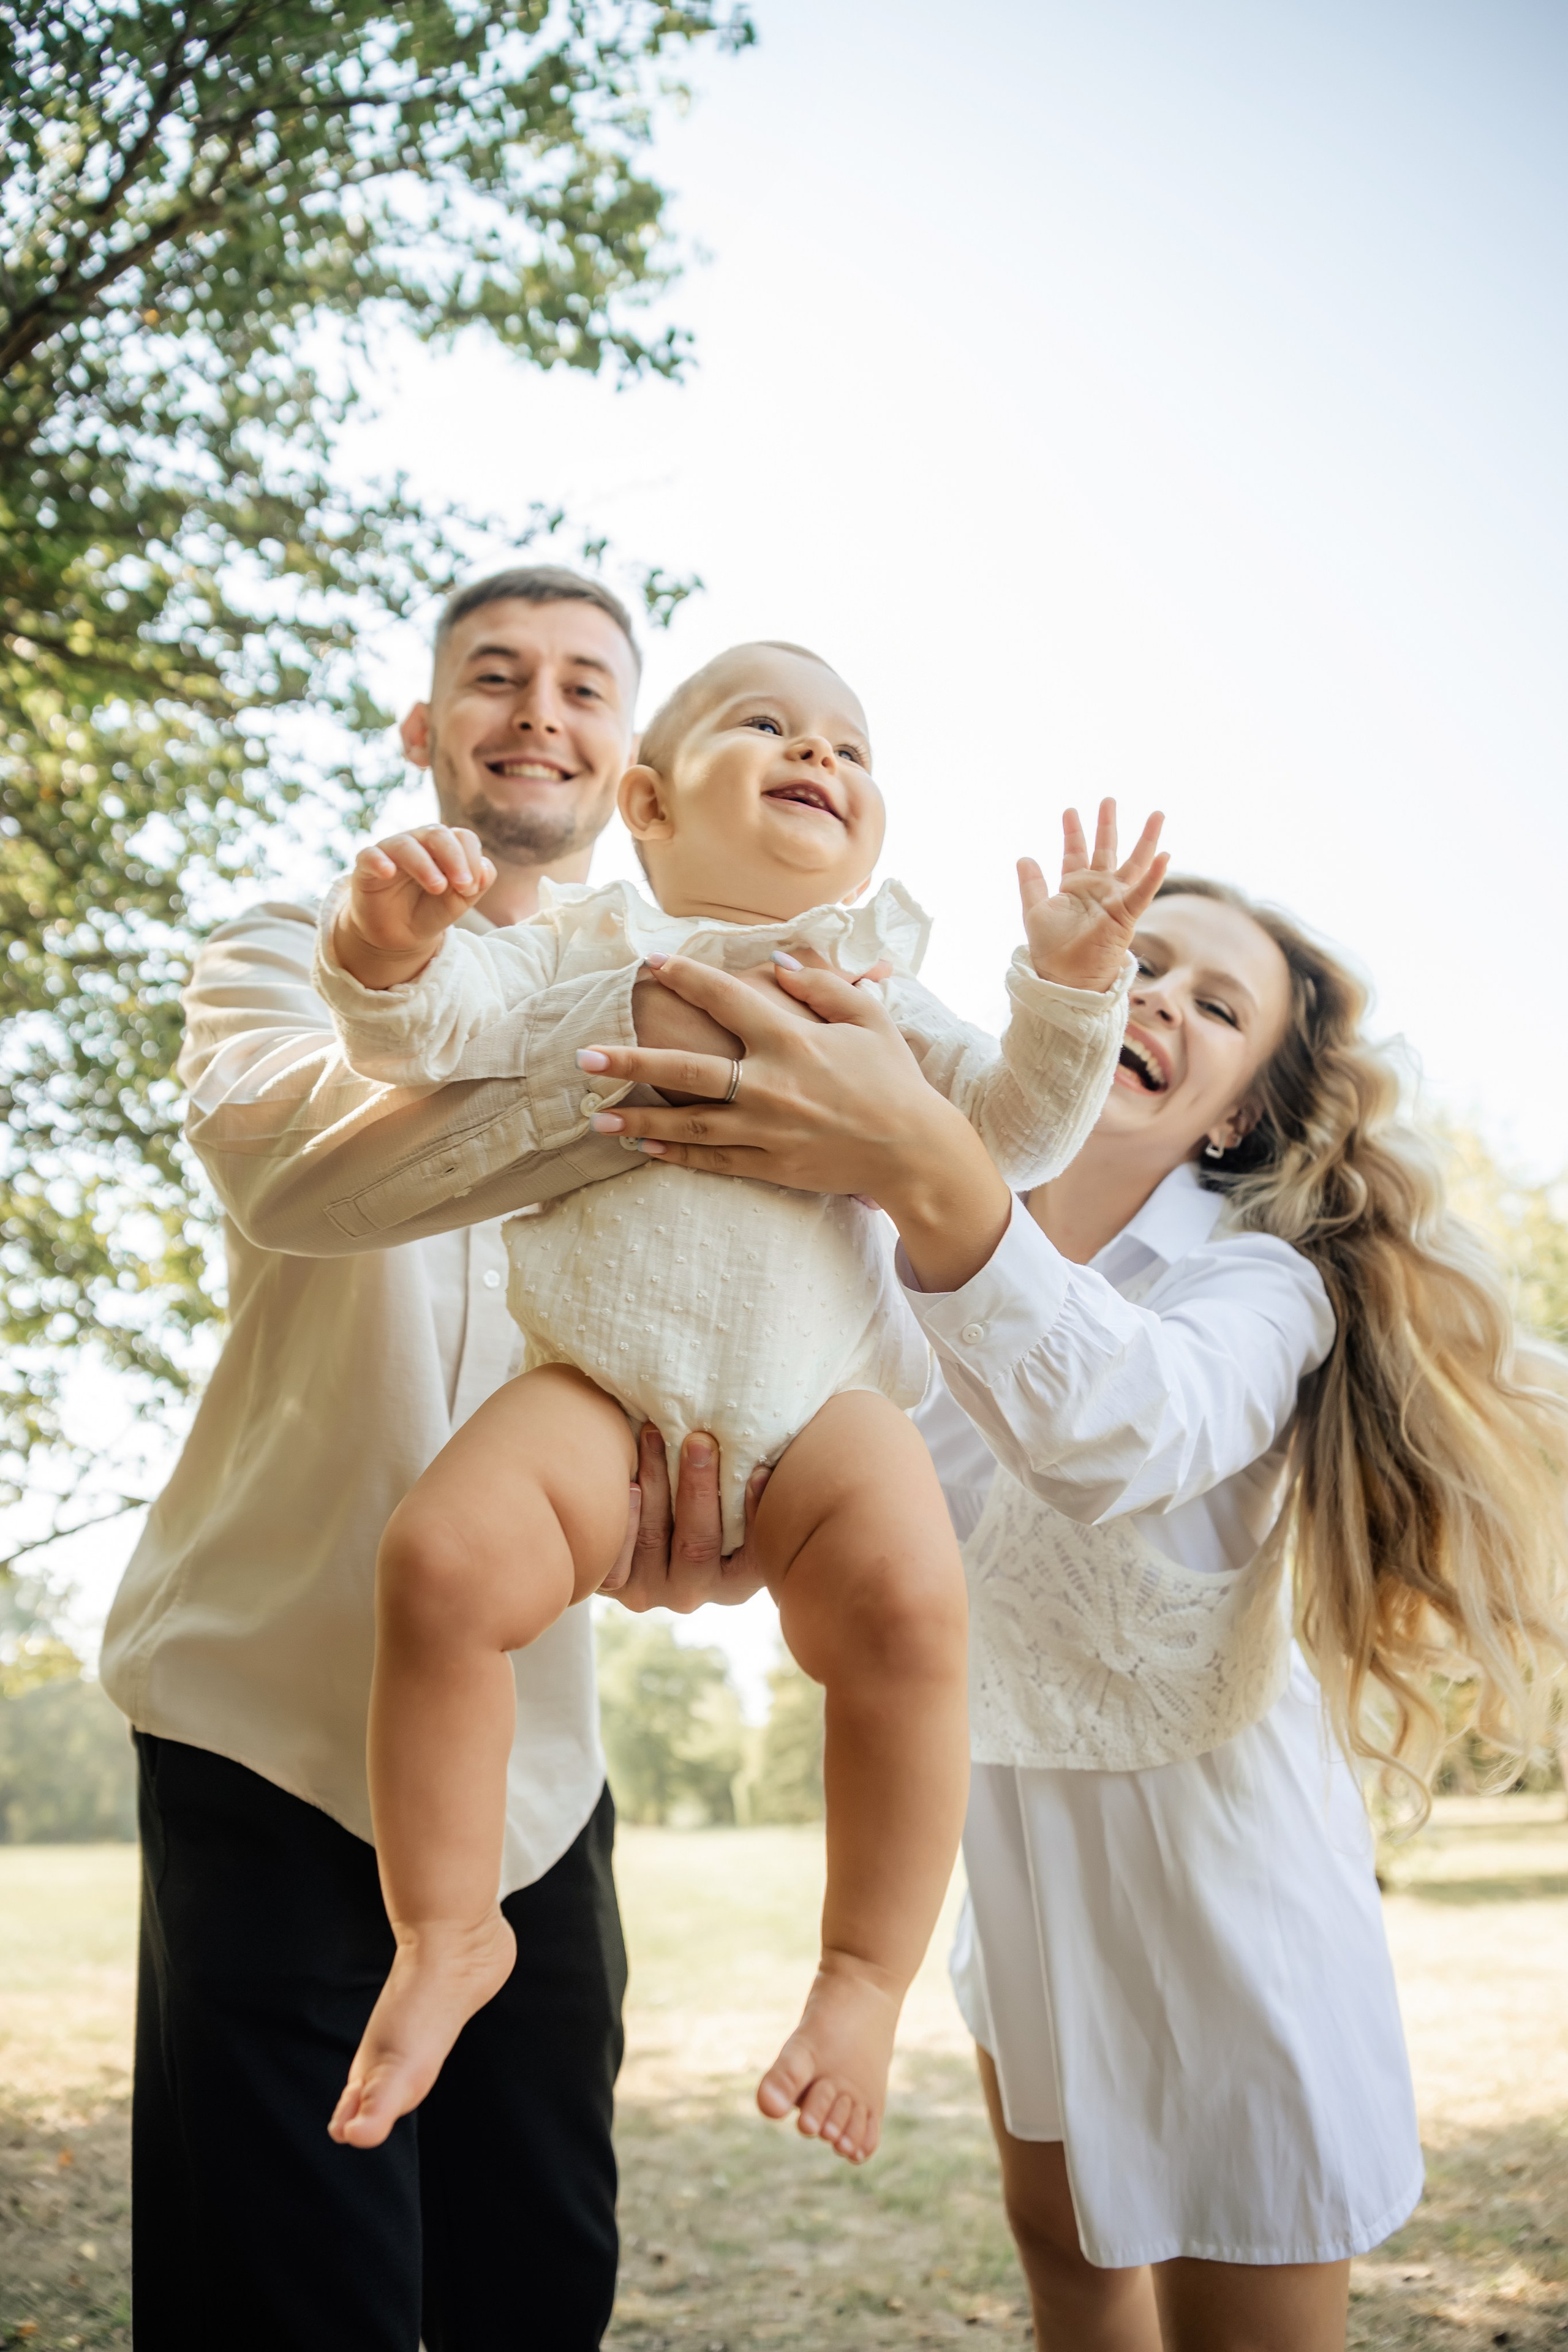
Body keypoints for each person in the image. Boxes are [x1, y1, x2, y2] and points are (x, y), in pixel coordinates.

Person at [571, 851, 1568, 2352]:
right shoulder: (870, 1251)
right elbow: (814, 1495)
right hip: (1012, 1867)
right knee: (1067, 2271)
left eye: (1214, 1005)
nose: (1159, 998)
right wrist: (686, 1538)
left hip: (1228, 1902)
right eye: (1143, 963)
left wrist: (928, 1170)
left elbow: (1123, 1429)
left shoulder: (1260, 1285)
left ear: (1229, 1115)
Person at [311, 640, 1164, 2165]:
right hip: (593, 1389)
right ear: (645, 803)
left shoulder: (873, 980)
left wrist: (1068, 985)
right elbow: (419, 1034)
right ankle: (446, 1927)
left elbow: (1016, 1136)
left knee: (912, 1611)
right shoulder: (582, 942)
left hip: (822, 1405)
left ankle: (861, 1976)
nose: (820, 755)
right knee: (437, 1564)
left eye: (851, 745)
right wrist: (385, 945)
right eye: (771, 725)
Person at [100, 565, 753, 2352]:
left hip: (537, 1768)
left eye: (585, 684)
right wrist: (649, 1085)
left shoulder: (690, 995)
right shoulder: (283, 948)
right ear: (423, 727)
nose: (539, 709)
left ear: (631, 763)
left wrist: (725, 1503)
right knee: (283, 2305)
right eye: (495, 674)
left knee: (535, 2283)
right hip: (264, 1727)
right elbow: (291, 1172)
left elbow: (752, 1311)